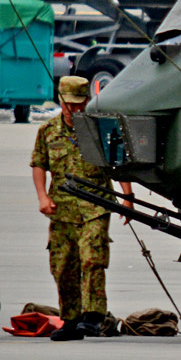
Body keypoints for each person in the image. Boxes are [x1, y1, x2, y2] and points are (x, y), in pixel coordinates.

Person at [30, 76, 134, 340]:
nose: (75, 110)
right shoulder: (48, 131)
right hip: (62, 209)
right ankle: (71, 319)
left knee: (92, 259)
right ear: (61, 101)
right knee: (63, 266)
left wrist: (127, 197)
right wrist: (43, 197)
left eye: (80, 104)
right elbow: (39, 164)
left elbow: (118, 163)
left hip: (95, 206)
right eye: (70, 105)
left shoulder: (101, 128)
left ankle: (93, 316)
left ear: (88, 101)